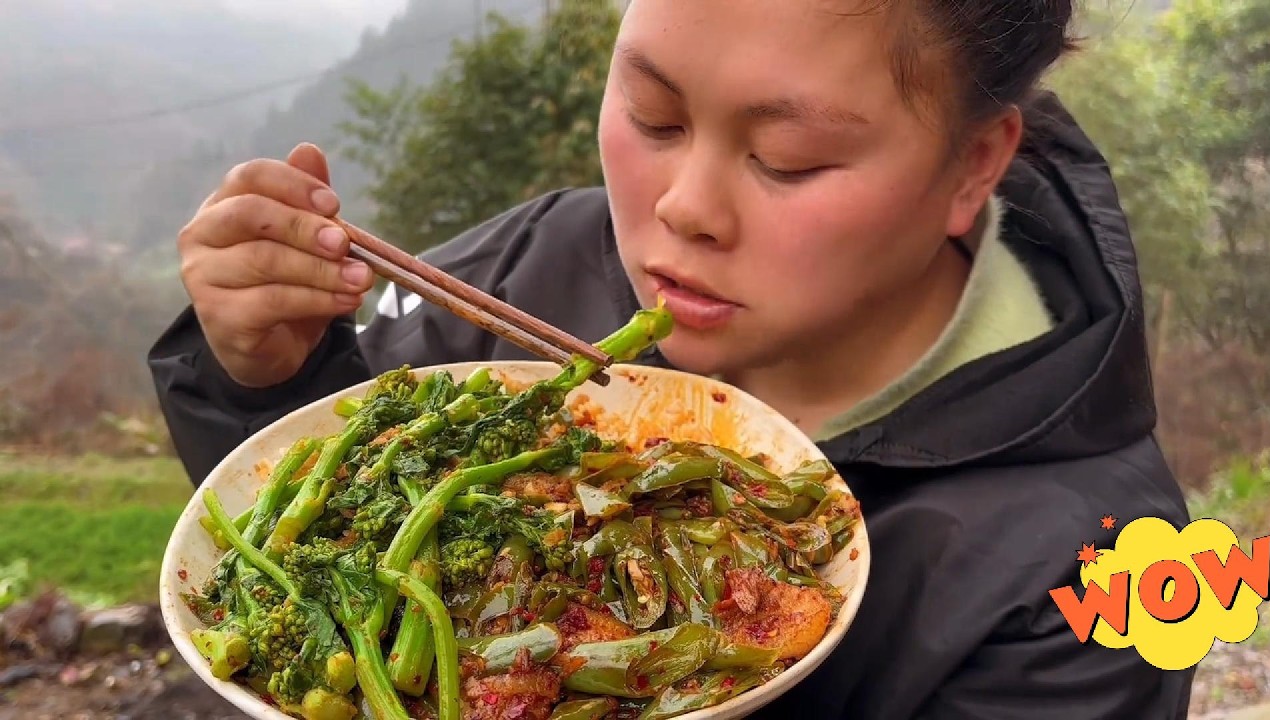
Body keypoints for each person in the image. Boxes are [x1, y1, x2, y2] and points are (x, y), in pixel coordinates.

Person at [148, 1, 1195, 717]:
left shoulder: (1098, 564)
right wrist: (269, 376)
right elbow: (310, 535)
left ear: (973, 164)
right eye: (653, 115)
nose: (680, 208)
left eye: (786, 161)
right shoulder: (530, 265)